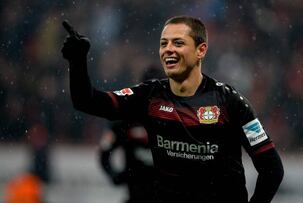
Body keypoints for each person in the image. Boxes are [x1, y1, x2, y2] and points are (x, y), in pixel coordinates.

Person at [61, 16, 284, 203]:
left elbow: (272, 169)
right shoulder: (150, 96)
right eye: (164, 43)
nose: (168, 49)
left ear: (201, 50)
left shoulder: (230, 102)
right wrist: (77, 62)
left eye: (178, 43)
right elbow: (86, 101)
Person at [99, 121, 155, 203]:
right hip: (135, 191)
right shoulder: (124, 123)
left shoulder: (165, 119)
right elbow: (105, 152)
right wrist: (113, 174)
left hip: (164, 191)